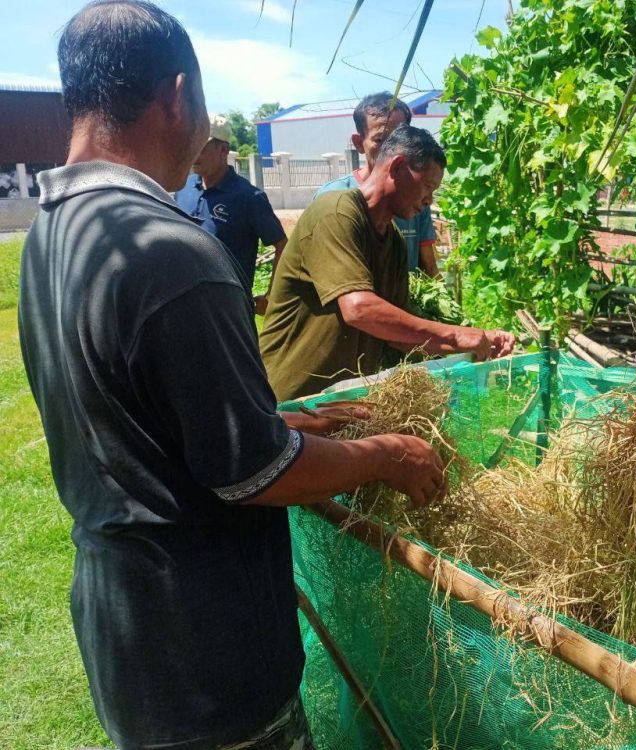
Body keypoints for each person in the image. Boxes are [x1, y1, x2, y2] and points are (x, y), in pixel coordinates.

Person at [18, 3, 445, 748]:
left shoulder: (57, 234)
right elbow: (254, 474)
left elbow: (145, 417)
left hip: (126, 636)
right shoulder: (172, 253)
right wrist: (389, 455)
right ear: (179, 94)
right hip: (208, 659)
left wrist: (275, 420)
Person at [260, 125, 515, 401]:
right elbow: (359, 309)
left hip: (339, 403)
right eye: (428, 186)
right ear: (398, 167)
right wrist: (456, 336)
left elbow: (397, 335)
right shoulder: (335, 212)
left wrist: (476, 341)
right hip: (287, 404)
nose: (428, 201)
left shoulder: (394, 242)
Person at [315, 92, 440, 277]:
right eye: (380, 140)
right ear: (359, 143)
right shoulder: (332, 197)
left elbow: (429, 266)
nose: (391, 150)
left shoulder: (416, 197)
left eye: (399, 140)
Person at [175, 116, 287, 314]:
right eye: (191, 144)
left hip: (229, 311)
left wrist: (271, 297)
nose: (194, 153)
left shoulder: (248, 197)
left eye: (201, 147)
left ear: (223, 150)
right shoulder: (183, 189)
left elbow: (283, 246)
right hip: (184, 306)